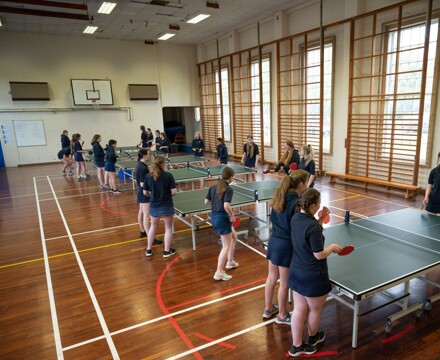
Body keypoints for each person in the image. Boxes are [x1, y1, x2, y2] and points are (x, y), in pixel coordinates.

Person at [288, 188, 341, 357]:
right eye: (318, 203)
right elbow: (318, 254)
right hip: (313, 276)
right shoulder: (313, 227)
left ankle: (296, 347)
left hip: (296, 271)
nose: (320, 205)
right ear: (311, 206)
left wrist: (320, 219)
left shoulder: (296, 218)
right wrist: (332, 248)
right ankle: (312, 338)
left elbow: (308, 234)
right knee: (314, 310)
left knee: (298, 309)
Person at [263, 170, 309, 325]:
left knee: (271, 278)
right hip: (285, 245)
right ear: (301, 184)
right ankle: (282, 315)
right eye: (306, 182)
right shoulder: (296, 202)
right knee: (284, 283)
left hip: (274, 241)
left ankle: (268, 308)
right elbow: (297, 226)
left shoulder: (279, 197)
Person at [205, 167, 239, 281]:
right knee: (225, 246)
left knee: (234, 237)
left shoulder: (213, 187)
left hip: (214, 217)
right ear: (230, 177)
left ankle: (230, 261)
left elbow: (206, 202)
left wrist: (215, 200)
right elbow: (226, 206)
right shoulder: (228, 189)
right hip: (222, 219)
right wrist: (232, 216)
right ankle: (219, 272)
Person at [143, 156, 177, 258]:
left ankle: (149, 249)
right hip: (166, 204)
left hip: (154, 205)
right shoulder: (168, 176)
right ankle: (166, 251)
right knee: (168, 228)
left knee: (153, 227)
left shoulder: (148, 176)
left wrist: (153, 194)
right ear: (162, 164)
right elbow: (174, 192)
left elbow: (145, 192)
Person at [135, 149, 163, 245]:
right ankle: (150, 236)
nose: (149, 155)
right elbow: (143, 184)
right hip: (144, 194)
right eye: (148, 154)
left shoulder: (140, 165)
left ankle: (142, 231)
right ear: (144, 155)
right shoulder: (143, 168)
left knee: (141, 212)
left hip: (140, 193)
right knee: (147, 216)